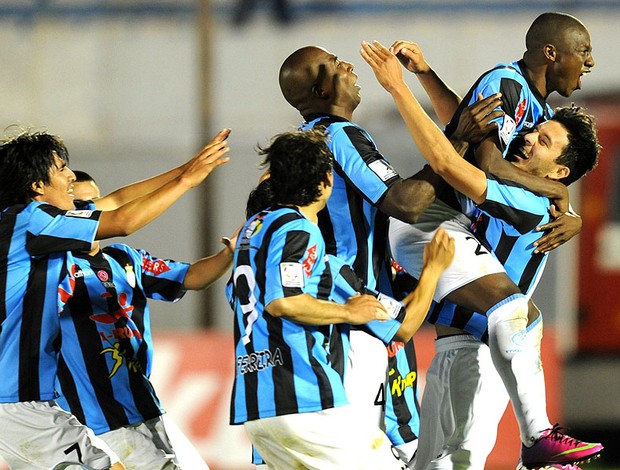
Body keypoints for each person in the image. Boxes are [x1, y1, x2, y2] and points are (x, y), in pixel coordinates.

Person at [361, 37, 603, 469]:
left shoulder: (531, 200)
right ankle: (541, 441)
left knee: (456, 460)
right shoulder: (534, 186)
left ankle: (539, 439)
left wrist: (400, 88)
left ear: (561, 172)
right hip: (463, 344)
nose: (528, 137)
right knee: (438, 462)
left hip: (482, 347)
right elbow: (475, 131)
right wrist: (425, 75)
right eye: (533, 130)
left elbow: (454, 161)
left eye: (542, 141)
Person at [0, 127, 230, 469]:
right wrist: (187, 182)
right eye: (61, 169)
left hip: (32, 399)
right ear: (36, 186)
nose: (69, 177)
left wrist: (187, 169)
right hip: (19, 399)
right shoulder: (32, 221)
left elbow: (118, 201)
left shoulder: (39, 228)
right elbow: (123, 220)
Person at [226, 129, 454, 469]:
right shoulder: (301, 234)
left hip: (257, 407)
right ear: (327, 181)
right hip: (304, 401)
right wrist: (433, 270)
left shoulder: (253, 233)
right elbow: (283, 301)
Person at [278, 44, 456, 462]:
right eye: (336, 64)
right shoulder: (340, 136)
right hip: (359, 309)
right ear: (323, 89)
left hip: (342, 310)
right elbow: (407, 201)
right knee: (388, 447)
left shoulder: (304, 146)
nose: (349, 65)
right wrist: (456, 147)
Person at [57, 171, 232, 469]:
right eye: (79, 204)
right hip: (90, 416)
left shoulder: (125, 259)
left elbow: (193, 276)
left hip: (142, 402)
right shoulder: (52, 266)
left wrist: (231, 251)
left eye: (95, 202)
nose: (90, 210)